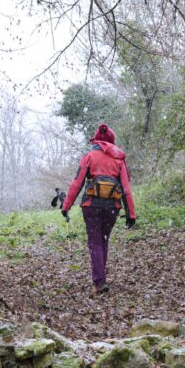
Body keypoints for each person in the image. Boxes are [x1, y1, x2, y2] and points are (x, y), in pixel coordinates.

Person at [61, 123, 137, 293]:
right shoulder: (119, 160)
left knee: (95, 241)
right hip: (112, 207)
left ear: (96, 140)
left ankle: (100, 281)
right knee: (103, 240)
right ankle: (100, 278)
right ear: (112, 141)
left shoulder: (89, 157)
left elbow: (76, 184)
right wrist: (131, 214)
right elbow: (126, 189)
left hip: (91, 206)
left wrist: (66, 206)